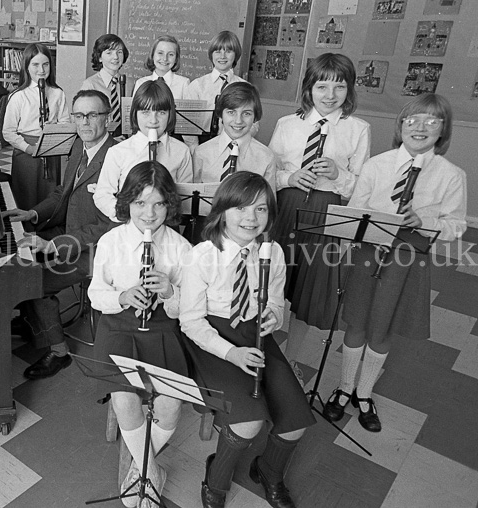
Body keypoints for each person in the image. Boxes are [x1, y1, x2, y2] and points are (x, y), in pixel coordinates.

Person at [322, 94, 466, 433]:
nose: (420, 127)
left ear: (443, 130)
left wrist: (425, 222)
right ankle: (344, 387)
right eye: (412, 120)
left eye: (432, 121)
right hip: (369, 253)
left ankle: (364, 393)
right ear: (400, 126)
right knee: (356, 322)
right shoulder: (377, 165)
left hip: (407, 259)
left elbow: (456, 226)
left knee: (382, 328)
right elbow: (355, 212)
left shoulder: (452, 175)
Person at [179, 172, 314, 508]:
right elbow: (191, 322)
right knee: (248, 422)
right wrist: (232, 354)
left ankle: (268, 470)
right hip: (212, 341)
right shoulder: (201, 256)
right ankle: (216, 477)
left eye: (261, 209)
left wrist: (274, 315)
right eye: (241, 208)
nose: (251, 218)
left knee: (296, 419)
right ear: (222, 210)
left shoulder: (273, 252)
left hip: (254, 336)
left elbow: (276, 302)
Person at [89, 161, 192, 508]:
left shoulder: (180, 247)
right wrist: (122, 296)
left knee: (171, 403)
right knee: (124, 398)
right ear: (127, 204)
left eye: (158, 204)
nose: (149, 214)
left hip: (162, 328)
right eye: (140, 203)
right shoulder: (111, 241)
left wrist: (170, 292)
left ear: (169, 205)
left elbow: (189, 307)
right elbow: (95, 294)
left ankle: (140, 468)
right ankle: (150, 472)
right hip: (118, 327)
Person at [268, 53, 370, 381]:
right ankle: (261, 350)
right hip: (287, 208)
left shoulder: (358, 129)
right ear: (309, 88)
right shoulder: (287, 124)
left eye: (339, 87)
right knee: (272, 279)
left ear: (349, 90)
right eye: (322, 86)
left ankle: (290, 359)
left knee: (307, 291)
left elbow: (360, 188)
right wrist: (290, 177)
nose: (330, 95)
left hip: (327, 214)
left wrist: (339, 175)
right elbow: (269, 172)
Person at [5, 90, 117, 379]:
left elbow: (108, 226)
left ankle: (59, 352)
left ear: (108, 119)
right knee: (20, 248)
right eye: (78, 115)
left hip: (97, 249)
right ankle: (35, 321)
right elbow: (61, 193)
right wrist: (32, 214)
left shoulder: (117, 158)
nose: (84, 122)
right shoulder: (79, 146)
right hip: (72, 230)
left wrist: (55, 244)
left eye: (92, 115)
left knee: (36, 281)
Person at [94, 80, 192, 222]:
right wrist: (128, 215)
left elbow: (185, 196)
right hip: (127, 224)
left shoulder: (181, 151)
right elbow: (102, 194)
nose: (153, 120)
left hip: (165, 224)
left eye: (161, 112)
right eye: (146, 112)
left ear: (170, 114)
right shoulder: (118, 152)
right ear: (135, 114)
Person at [2, 43, 70, 211]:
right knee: (27, 195)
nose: (41, 70)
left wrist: (55, 130)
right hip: (26, 153)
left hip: (51, 150)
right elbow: (8, 132)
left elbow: (65, 122)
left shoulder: (57, 93)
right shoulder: (18, 96)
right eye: (35, 64)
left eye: (45, 64)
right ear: (26, 66)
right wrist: (28, 148)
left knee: (49, 195)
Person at [191, 82, 279, 190]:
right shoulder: (201, 153)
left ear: (255, 117)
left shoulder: (266, 157)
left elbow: (268, 199)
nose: (238, 121)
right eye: (231, 112)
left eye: (246, 113)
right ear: (220, 114)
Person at [186, 31, 247, 137]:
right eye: (217, 51)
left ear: (236, 55)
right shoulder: (197, 85)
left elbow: (253, 124)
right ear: (211, 54)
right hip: (202, 142)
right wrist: (194, 145)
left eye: (228, 51)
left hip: (233, 142)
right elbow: (188, 123)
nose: (222, 56)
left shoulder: (245, 87)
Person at [80, 34, 131, 137]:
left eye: (119, 52)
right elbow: (83, 119)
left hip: (125, 140)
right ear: (99, 57)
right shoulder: (90, 85)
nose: (115, 57)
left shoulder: (129, 84)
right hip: (100, 139)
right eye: (109, 53)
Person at [132, 35, 190, 99]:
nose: (165, 59)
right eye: (160, 53)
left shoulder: (183, 84)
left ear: (176, 59)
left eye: (171, 54)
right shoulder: (140, 83)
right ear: (152, 55)